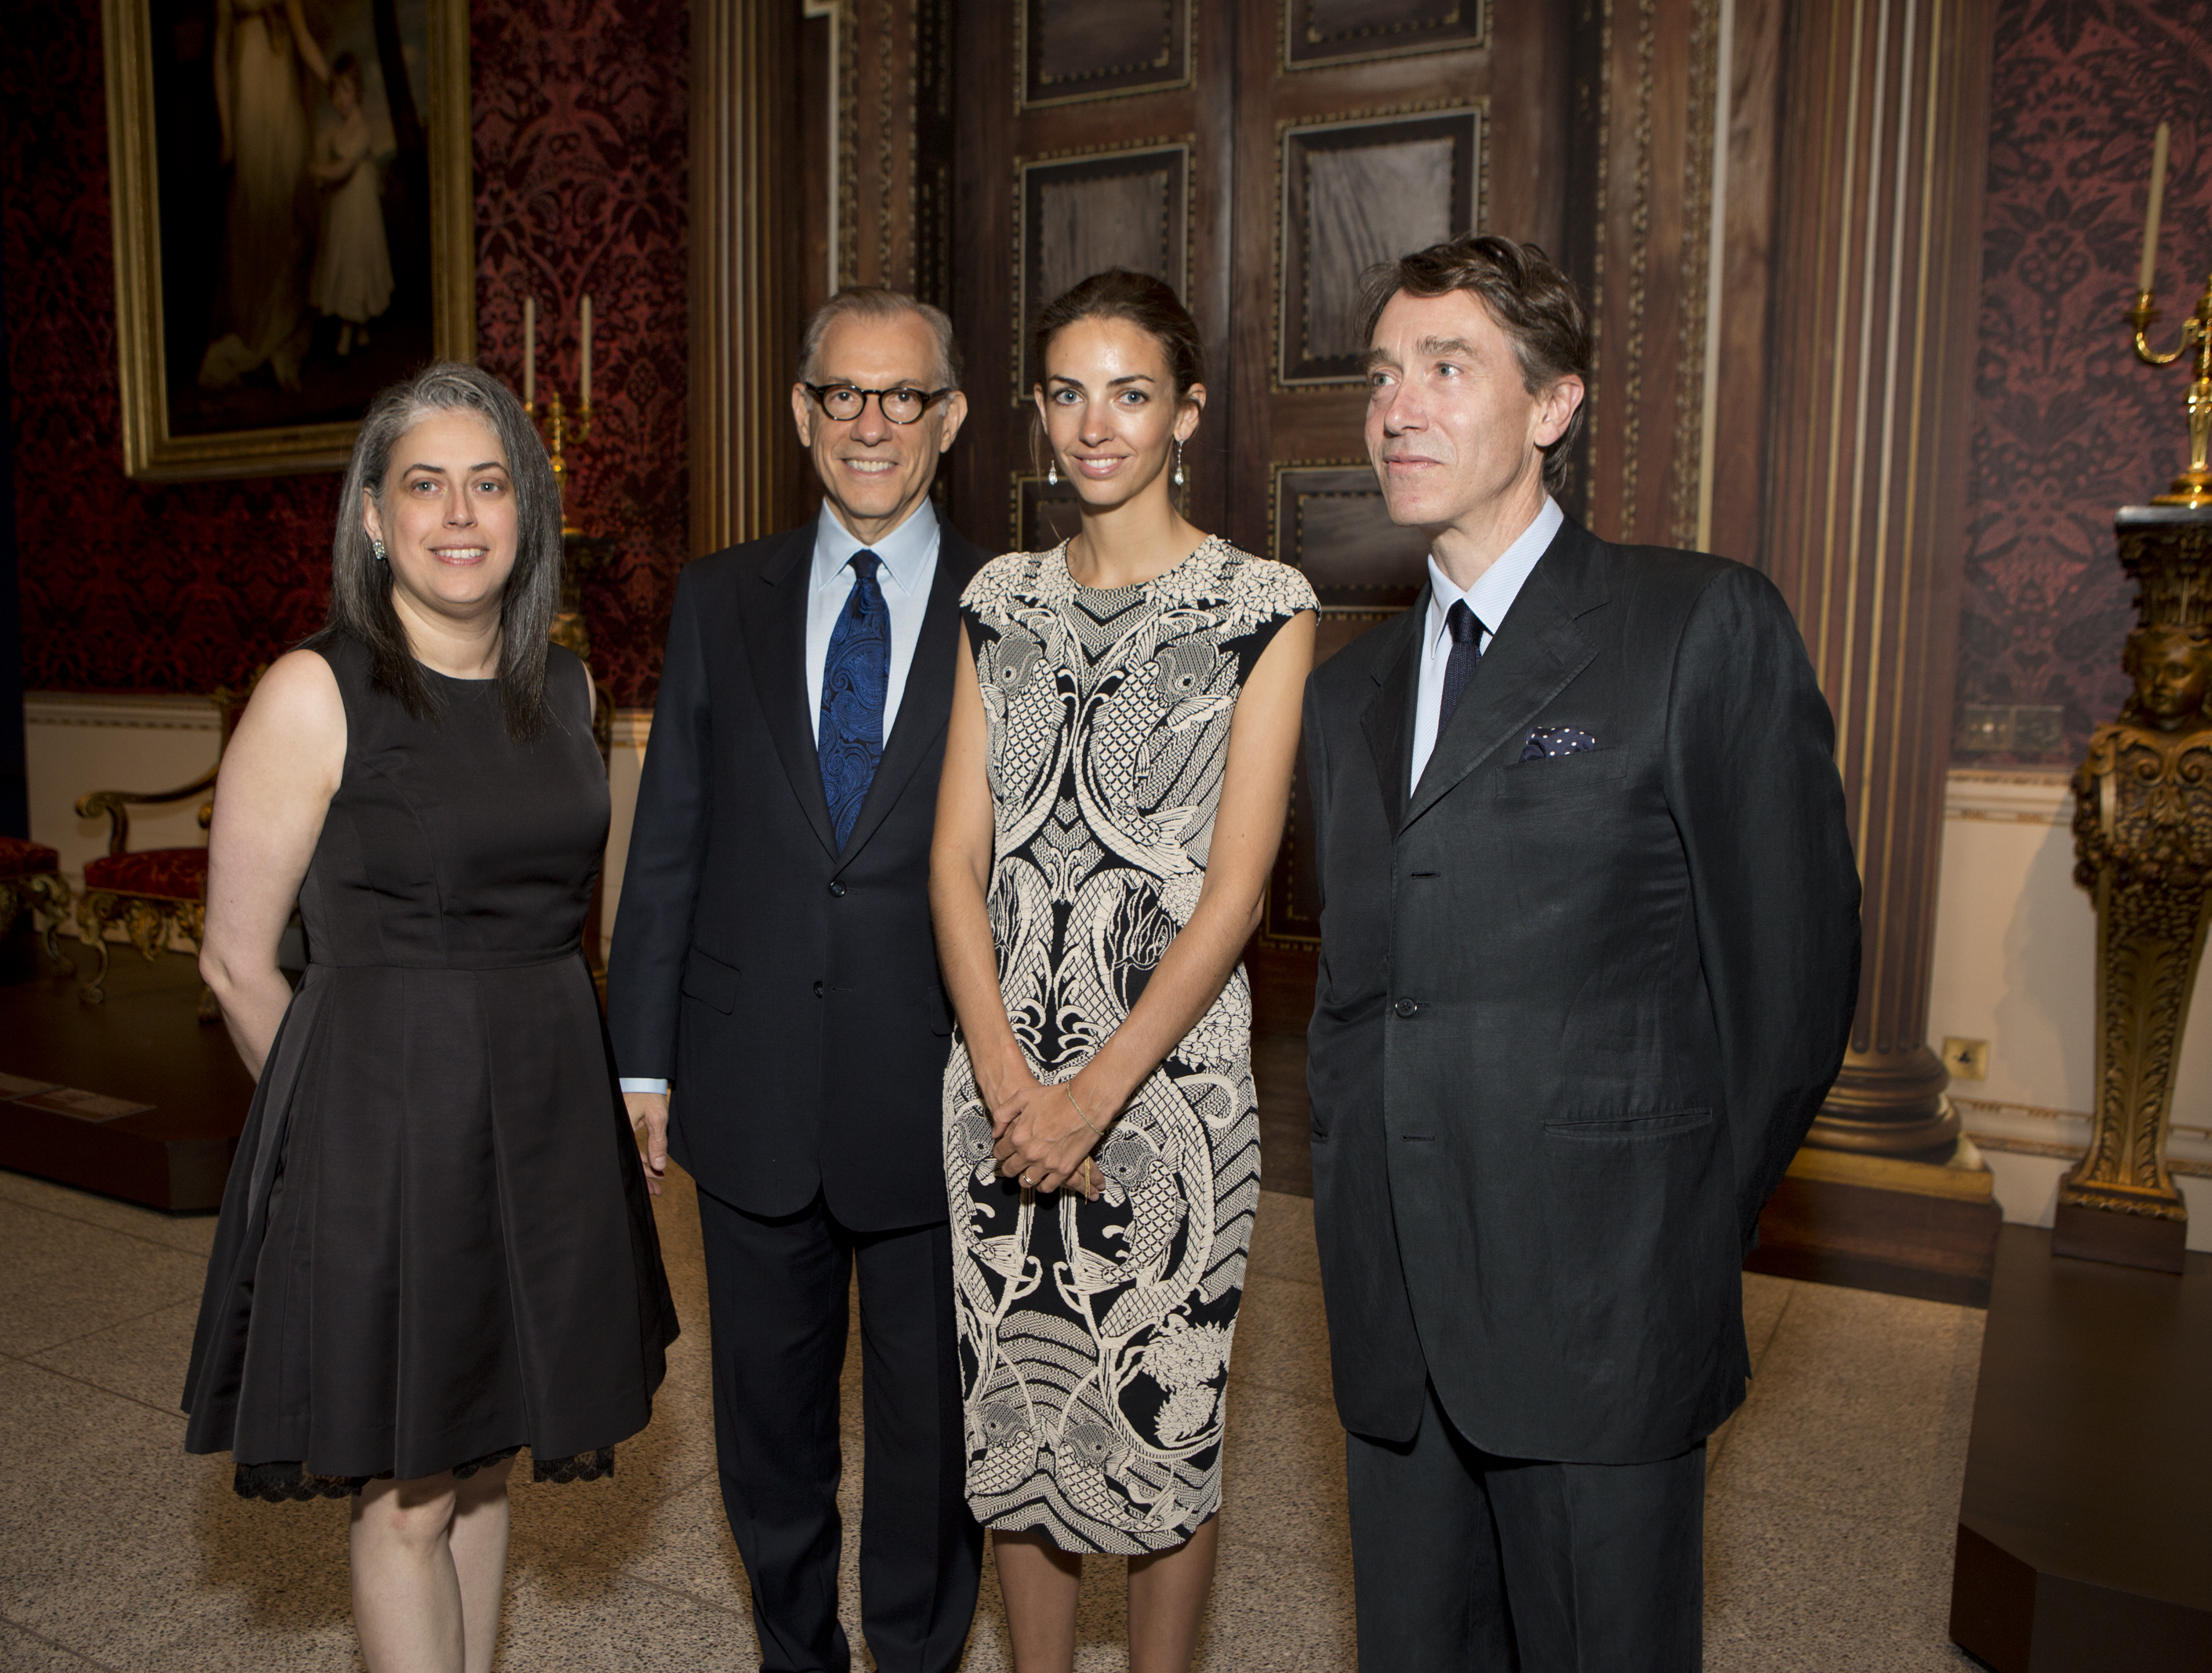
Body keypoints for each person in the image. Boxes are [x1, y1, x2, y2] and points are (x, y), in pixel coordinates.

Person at [1301, 235, 1858, 1671]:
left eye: (1446, 368)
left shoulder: (1697, 626)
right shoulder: (1347, 688)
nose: (1397, 409)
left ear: (1555, 405)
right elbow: (1368, 989)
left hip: (1606, 1305)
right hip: (1395, 1309)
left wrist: (1668, 1234)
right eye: (1380, 376)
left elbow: (1788, 991)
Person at [181, 362, 679, 1673]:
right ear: (372, 517)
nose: (460, 514)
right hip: (386, 1128)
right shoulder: (315, 690)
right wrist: (331, 1136)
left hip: (545, 1108)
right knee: (404, 1480)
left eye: (489, 482)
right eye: (424, 485)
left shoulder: (569, 690)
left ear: (528, 512)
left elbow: (584, 922)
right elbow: (236, 962)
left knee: (487, 1451)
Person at [930, 268, 1317, 1673]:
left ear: (1187, 414)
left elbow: (1238, 893)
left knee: (1165, 1412)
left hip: (1165, 1089)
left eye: (1132, 392)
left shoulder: (1262, 604)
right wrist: (1003, 1076)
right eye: (1070, 392)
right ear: (1038, 412)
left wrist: (1090, 1094)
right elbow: (953, 860)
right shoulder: (998, 597)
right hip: (997, 1079)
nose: (1097, 424)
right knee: (1020, 1418)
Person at [608, 289, 987, 1673]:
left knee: (933, 1433)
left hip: (944, 1092)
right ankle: (795, 1652)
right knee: (765, 1423)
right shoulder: (723, 596)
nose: (871, 423)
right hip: (749, 1077)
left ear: (950, 417)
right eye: (844, 394)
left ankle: (918, 1651)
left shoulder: (1015, 603)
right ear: (801, 413)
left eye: (903, 397)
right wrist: (639, 1058)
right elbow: (672, 842)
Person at [200, 0, 326, 392]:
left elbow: (302, 37)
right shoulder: (232, 12)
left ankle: (284, 344)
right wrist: (226, 131)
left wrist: (333, 80)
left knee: (296, 214)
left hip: (283, 99)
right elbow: (220, 55)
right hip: (249, 98)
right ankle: (260, 339)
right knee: (257, 216)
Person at [309, 52, 393, 358]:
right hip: (342, 207)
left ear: (357, 90)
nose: (340, 99)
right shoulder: (338, 128)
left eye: (346, 90)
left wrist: (315, 171)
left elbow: (341, 170)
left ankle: (346, 338)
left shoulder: (361, 128)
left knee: (356, 262)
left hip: (359, 208)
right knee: (344, 259)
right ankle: (361, 331)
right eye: (335, 92)